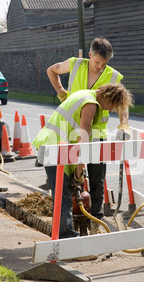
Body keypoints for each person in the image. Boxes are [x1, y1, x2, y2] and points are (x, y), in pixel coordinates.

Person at [46, 38, 130, 233]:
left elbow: (122, 103)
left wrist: (123, 124)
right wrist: (61, 92)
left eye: (104, 63)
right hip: (72, 130)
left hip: (96, 132)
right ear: (90, 55)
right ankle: (73, 220)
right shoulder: (76, 64)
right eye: (97, 62)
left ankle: (96, 221)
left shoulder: (112, 75)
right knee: (70, 176)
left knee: (96, 177)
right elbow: (52, 70)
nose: (100, 66)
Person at [32, 83, 134, 239]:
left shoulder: (85, 94)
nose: (110, 110)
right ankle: (67, 240)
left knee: (63, 195)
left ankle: (64, 237)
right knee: (64, 197)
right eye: (112, 106)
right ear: (107, 98)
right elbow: (83, 141)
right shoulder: (90, 105)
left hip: (58, 146)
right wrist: (79, 171)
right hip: (56, 148)